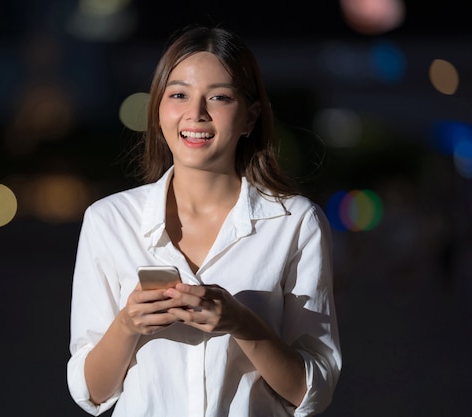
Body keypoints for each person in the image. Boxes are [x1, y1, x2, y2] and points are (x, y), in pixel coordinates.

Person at [67, 24, 341, 417]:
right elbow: (91, 392)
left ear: (250, 117)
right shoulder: (109, 221)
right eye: (178, 94)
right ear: (159, 110)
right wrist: (128, 324)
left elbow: (311, 391)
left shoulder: (295, 223)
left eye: (219, 97)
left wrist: (241, 322)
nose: (195, 114)